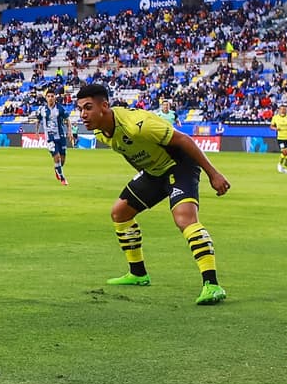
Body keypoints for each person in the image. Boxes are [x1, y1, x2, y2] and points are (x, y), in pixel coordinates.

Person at [74, 83, 229, 306]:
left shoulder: (138, 125)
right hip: (154, 172)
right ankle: (138, 274)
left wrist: (214, 174)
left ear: (104, 106)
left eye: (87, 108)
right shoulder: (101, 132)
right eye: (80, 109)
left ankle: (212, 285)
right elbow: (128, 152)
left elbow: (184, 140)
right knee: (120, 213)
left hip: (179, 166)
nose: (83, 114)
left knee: (184, 219)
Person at [36, 89, 71, 185]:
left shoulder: (60, 108)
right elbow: (38, 120)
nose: (50, 98)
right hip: (50, 137)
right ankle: (63, 179)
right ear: (46, 98)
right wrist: (37, 132)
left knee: (62, 159)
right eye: (48, 96)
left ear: (55, 97)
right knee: (57, 157)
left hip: (61, 136)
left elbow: (67, 120)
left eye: (52, 96)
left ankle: (57, 169)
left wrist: (70, 132)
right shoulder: (42, 110)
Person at [269, 104, 287, 174]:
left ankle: (284, 168)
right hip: (281, 138)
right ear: (279, 110)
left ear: (286, 110)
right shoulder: (275, 117)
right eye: (281, 109)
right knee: (284, 151)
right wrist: (276, 129)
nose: (283, 110)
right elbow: (271, 126)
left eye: (284, 109)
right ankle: (279, 164)